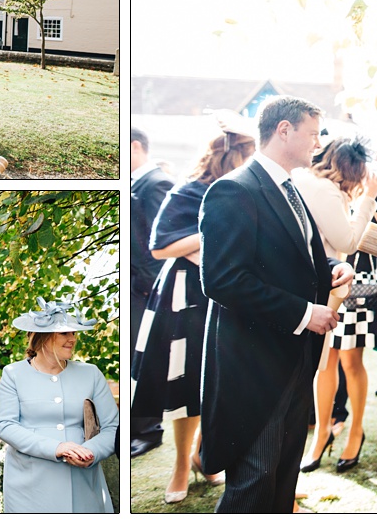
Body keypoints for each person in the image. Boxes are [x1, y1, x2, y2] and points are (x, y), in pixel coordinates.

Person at [198, 95, 354, 513]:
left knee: (283, 477)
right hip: (257, 367)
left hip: (295, 357)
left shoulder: (289, 186)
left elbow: (295, 254)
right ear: (283, 130)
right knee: (256, 479)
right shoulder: (234, 190)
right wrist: (305, 313)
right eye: (313, 133)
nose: (318, 144)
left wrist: (334, 267)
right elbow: (223, 280)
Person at [129, 125, 254, 503]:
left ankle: (204, 454)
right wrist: (214, 231)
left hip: (230, 294)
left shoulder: (243, 192)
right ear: (233, 157)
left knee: (220, 381)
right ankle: (181, 465)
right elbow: (159, 246)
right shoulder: (187, 189)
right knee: (187, 385)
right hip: (187, 297)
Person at [291, 136, 377, 474]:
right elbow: (347, 240)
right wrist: (367, 200)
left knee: (347, 364)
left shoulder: (307, 181)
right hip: (331, 291)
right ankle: (325, 432)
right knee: (327, 366)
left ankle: (352, 431)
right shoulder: (325, 190)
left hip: (346, 292)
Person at [0, 301, 120, 512]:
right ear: (42, 337)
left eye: (73, 333)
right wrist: (56, 448)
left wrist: (89, 453)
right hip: (29, 487)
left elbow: (113, 427)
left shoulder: (91, 373)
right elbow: (6, 426)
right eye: (64, 333)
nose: (72, 339)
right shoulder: (12, 374)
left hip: (83, 482)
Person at [128, 126, 173, 459]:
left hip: (145, 288)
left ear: (134, 147)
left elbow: (161, 242)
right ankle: (137, 425)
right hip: (133, 285)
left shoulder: (156, 183)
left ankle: (149, 429)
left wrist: (148, 286)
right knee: (133, 356)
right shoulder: (133, 183)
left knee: (144, 358)